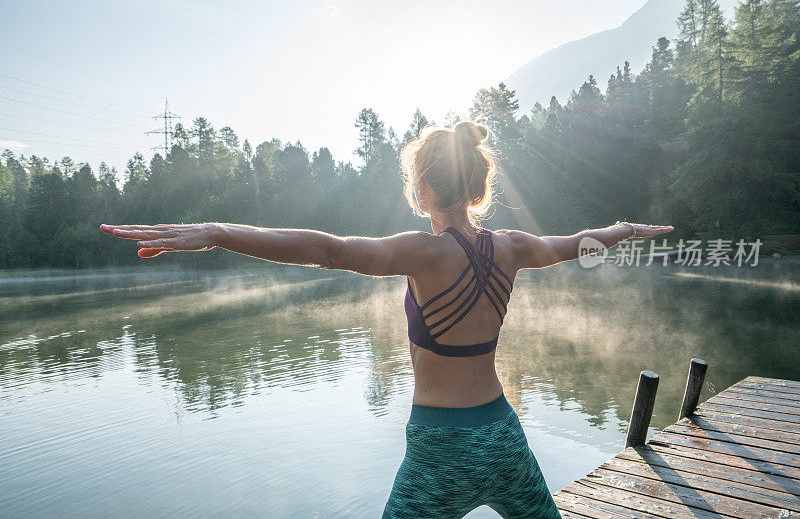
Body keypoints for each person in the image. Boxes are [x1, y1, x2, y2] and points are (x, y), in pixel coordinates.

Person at [101, 121, 673, 518]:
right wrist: (627, 232)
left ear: (423, 190)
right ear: (476, 186)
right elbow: (577, 245)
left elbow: (324, 248)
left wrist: (219, 234)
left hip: (438, 450)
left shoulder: (422, 254)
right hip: (503, 436)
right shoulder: (514, 246)